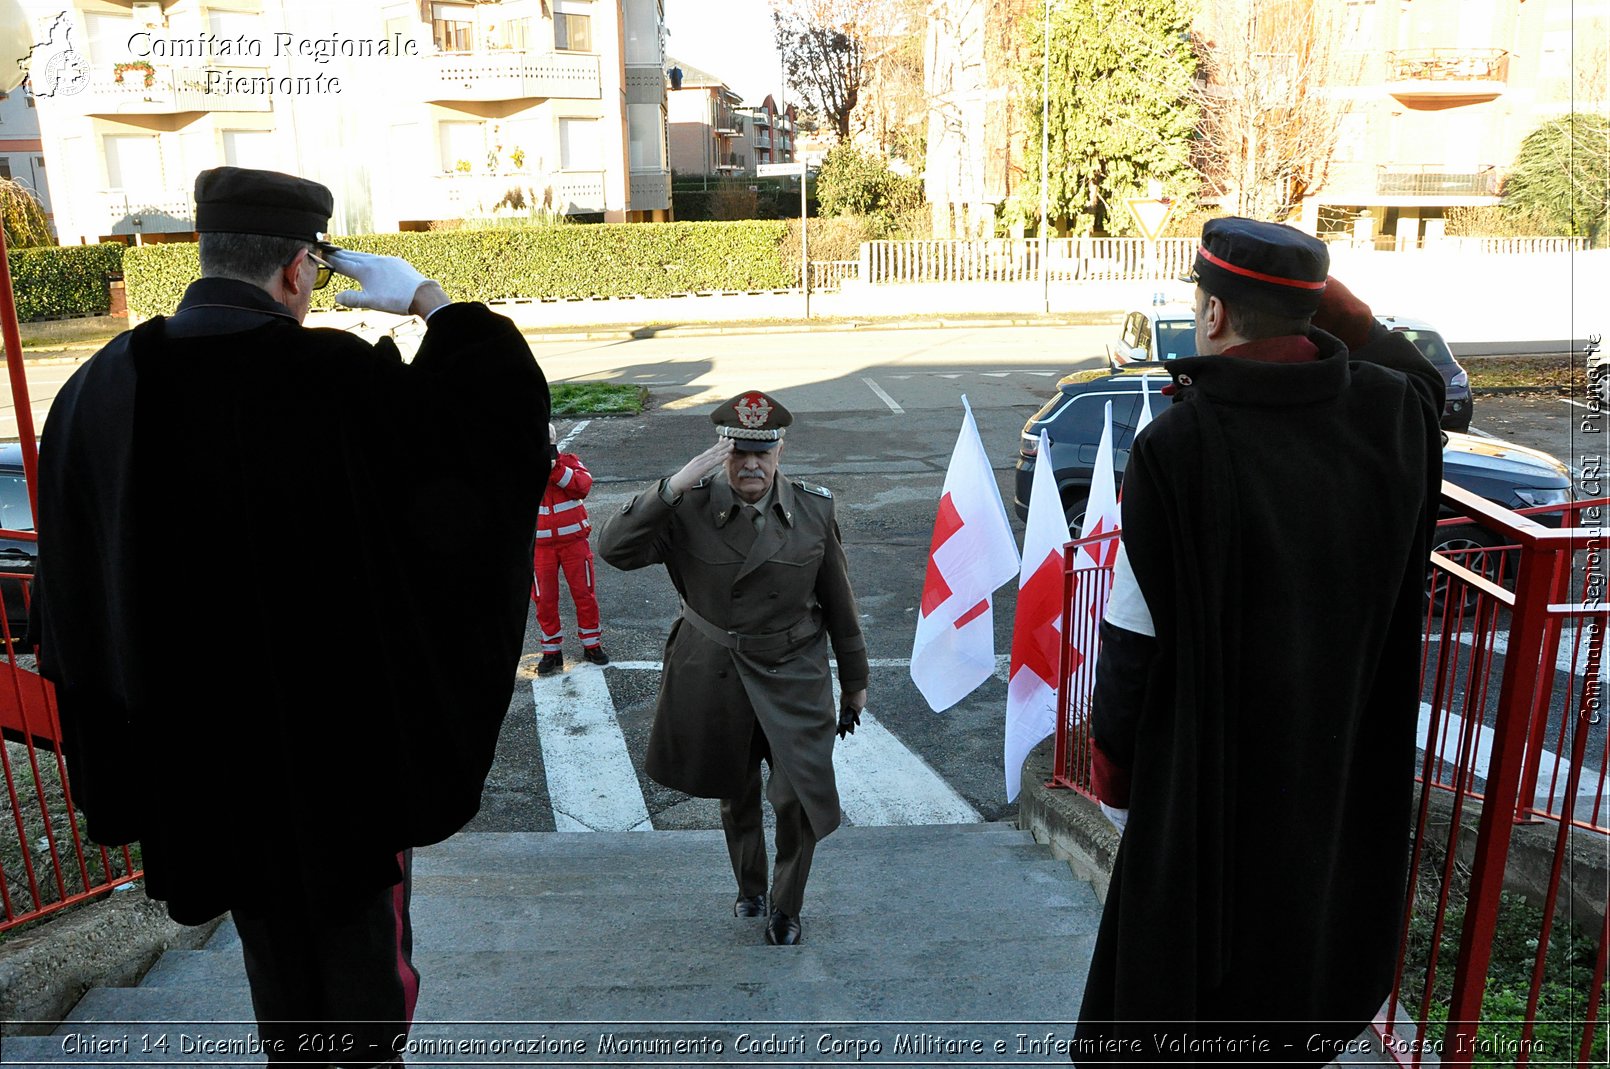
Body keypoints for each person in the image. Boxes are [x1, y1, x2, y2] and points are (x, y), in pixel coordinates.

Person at [31, 167, 549, 1067]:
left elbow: (71, 597)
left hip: (198, 775)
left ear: (206, 254)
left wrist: (118, 768)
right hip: (341, 781)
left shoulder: (100, 390)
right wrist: (429, 299)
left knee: (282, 985)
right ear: (300, 271)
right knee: (364, 1001)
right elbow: (494, 423)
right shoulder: (342, 383)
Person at [1074, 218, 1445, 1062]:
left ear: (1212, 316)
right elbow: (1419, 377)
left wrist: (1121, 782)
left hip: (1211, 808)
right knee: (1298, 996)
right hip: (1339, 792)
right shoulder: (1394, 418)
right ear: (1312, 315)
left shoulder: (1177, 446)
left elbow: (1133, 644)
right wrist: (1327, 303)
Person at [597, 390, 867, 946]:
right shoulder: (686, 505)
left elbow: (840, 601)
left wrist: (856, 683)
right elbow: (614, 550)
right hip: (714, 667)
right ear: (721, 453)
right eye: (737, 453)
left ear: (780, 451)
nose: (750, 465)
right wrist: (671, 487)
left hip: (794, 671)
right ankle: (751, 886)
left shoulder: (814, 509)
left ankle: (786, 907)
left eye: (761, 454)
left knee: (797, 795)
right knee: (735, 786)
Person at [534, 422, 609, 675]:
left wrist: (556, 469)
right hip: (541, 547)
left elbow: (583, 486)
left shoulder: (570, 461)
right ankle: (551, 651)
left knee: (584, 595)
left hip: (574, 543)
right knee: (544, 600)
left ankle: (592, 644)